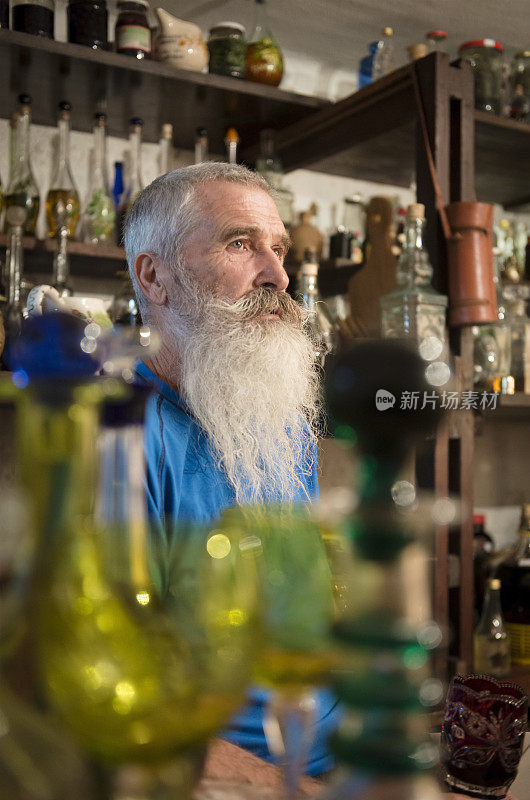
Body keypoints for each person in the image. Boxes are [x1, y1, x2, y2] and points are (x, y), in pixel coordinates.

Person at [123, 162, 340, 779]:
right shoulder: (124, 443)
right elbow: (123, 704)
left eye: (278, 248)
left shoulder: (277, 416)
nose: (278, 275)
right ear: (155, 276)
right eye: (240, 244)